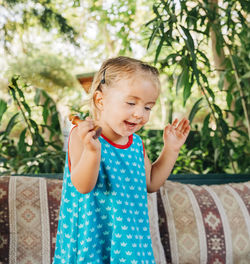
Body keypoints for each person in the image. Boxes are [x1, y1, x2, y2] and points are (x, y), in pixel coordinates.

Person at [53, 56, 190, 264]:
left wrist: (170, 150)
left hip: (131, 241)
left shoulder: (135, 144)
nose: (139, 114)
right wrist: (92, 151)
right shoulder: (83, 136)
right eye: (131, 103)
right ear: (101, 100)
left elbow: (151, 182)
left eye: (148, 107)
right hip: (92, 240)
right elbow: (82, 185)